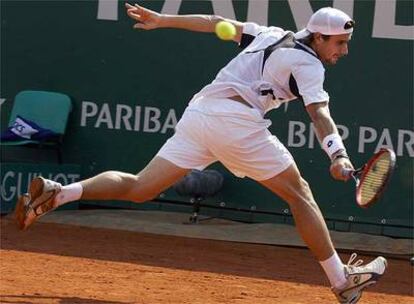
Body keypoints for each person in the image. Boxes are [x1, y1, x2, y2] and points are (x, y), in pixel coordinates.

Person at [14, 3, 387, 303]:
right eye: (339, 43)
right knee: (300, 194)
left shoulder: (272, 33)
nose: (344, 51)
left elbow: (215, 22)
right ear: (319, 38)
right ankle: (342, 281)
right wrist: (337, 155)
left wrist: (162, 20)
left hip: (200, 113)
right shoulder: (308, 64)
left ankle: (59, 192)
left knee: (141, 186)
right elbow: (319, 112)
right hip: (236, 121)